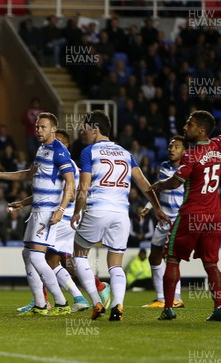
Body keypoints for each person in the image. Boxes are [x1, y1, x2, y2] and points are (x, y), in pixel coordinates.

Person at [71, 110, 169, 321]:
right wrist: (158, 208)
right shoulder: (126, 153)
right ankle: (118, 306)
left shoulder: (89, 152)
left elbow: (84, 187)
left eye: (85, 128)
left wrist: (77, 211)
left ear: (95, 130)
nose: (81, 131)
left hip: (97, 209)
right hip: (121, 215)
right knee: (115, 263)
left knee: (79, 255)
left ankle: (97, 301)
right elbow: (145, 185)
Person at [151, 94, 221, 322]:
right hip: (214, 217)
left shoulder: (190, 156)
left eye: (189, 124)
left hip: (191, 214)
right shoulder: (218, 147)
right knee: (211, 264)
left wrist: (158, 186)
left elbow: (175, 182)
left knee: (172, 258)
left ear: (200, 130)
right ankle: (220, 308)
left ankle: (168, 308)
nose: (184, 126)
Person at [9, 129, 111, 314]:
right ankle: (84, 295)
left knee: (38, 257)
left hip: (61, 219)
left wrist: (62, 210)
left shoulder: (67, 166)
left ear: (66, 146)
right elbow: (44, 190)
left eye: (60, 143)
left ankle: (49, 301)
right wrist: (23, 203)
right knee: (51, 261)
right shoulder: (55, 162)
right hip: (62, 218)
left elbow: (70, 194)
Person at [0, 112, 75, 316]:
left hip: (48, 212)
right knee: (27, 254)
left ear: (54, 129)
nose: (38, 130)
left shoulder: (60, 151)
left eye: (43, 127)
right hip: (36, 210)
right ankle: (40, 305)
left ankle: (61, 303)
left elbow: (70, 184)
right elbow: (28, 174)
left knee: (36, 257)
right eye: (37, 127)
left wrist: (60, 210)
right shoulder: (42, 149)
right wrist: (2, 174)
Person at [139, 136, 187, 308]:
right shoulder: (164, 167)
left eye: (176, 146)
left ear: (184, 151)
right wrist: (149, 206)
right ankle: (161, 298)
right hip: (163, 219)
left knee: (171, 258)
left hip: (177, 220)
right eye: (170, 146)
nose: (172, 149)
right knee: (154, 256)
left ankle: (176, 298)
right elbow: (158, 189)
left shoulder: (188, 169)